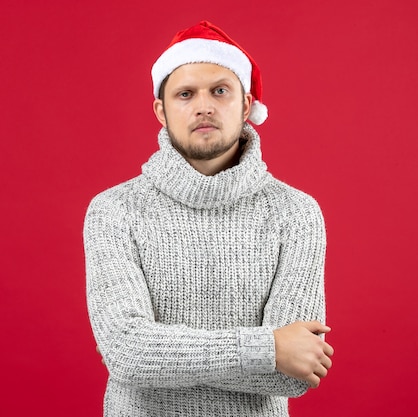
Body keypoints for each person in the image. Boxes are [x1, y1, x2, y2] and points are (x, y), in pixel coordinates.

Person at [83, 20, 334, 416]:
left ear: (246, 105)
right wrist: (268, 348)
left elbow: (293, 375)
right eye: (185, 94)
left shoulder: (296, 213)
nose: (204, 105)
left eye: (220, 90)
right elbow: (127, 353)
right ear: (161, 111)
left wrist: (158, 354)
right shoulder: (114, 210)